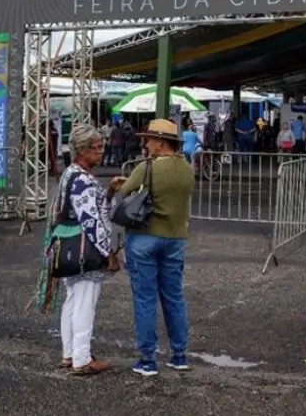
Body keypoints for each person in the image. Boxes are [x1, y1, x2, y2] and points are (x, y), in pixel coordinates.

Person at [115, 119, 196, 377]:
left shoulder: (145, 168)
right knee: (174, 297)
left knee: (145, 298)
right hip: (175, 239)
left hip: (144, 239)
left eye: (149, 139)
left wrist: (121, 184)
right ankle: (179, 355)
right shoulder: (187, 169)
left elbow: (125, 192)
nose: (145, 143)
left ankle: (148, 360)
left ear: (161, 142)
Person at [49, 124, 120, 376]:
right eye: (97, 148)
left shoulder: (71, 173)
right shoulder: (83, 180)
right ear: (81, 150)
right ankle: (82, 358)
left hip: (66, 246)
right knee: (84, 304)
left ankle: (70, 354)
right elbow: (92, 221)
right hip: (84, 249)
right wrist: (108, 253)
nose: (101, 152)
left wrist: (109, 191)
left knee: (72, 301)